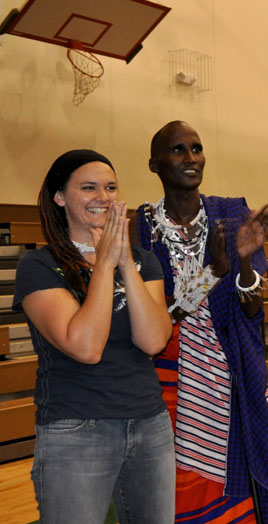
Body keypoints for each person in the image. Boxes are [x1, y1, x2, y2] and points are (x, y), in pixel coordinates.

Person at [136, 121, 268, 523]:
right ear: (155, 164)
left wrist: (241, 263)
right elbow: (154, 319)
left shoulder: (230, 214)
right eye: (178, 150)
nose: (191, 158)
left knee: (248, 473)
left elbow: (253, 308)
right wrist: (212, 272)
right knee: (183, 485)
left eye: (197, 148)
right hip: (171, 379)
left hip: (234, 369)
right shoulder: (143, 230)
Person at [13, 150, 175, 523]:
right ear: (60, 197)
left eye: (110, 187)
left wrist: (124, 264)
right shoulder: (38, 266)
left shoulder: (143, 261)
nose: (103, 196)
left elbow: (153, 341)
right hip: (76, 431)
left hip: (149, 424)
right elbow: (85, 346)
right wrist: (103, 264)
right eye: (89, 187)